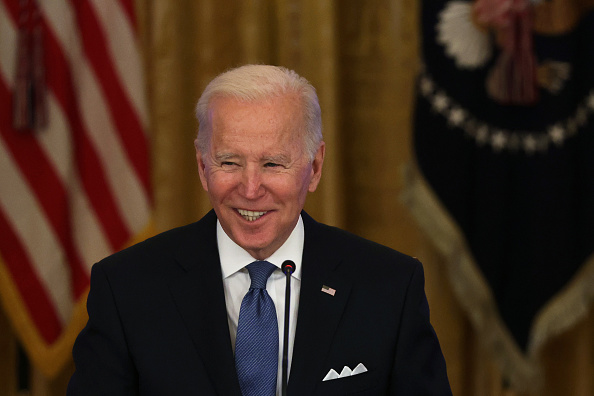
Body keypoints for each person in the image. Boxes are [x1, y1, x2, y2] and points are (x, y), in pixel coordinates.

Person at [67, 64, 452, 395]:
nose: (250, 190)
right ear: (203, 167)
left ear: (314, 167)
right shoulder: (125, 288)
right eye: (230, 162)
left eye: (273, 164)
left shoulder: (389, 287)